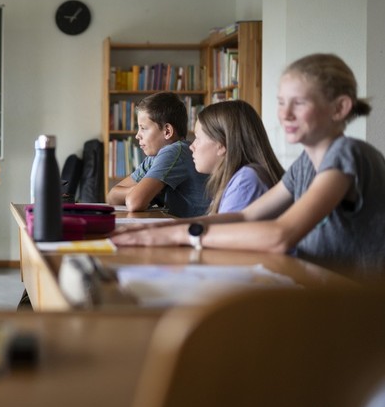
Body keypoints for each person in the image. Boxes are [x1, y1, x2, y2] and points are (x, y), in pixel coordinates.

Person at [111, 53, 385, 278]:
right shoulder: (306, 165)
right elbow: (246, 216)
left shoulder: (346, 154)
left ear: (340, 108)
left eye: (299, 103)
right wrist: (158, 230)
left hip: (354, 310)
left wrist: (184, 234)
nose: (285, 114)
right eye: (281, 102)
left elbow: (281, 235)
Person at [106, 91, 209, 217]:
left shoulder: (176, 151)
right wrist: (146, 190)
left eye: (143, 128)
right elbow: (111, 197)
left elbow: (134, 202)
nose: (137, 135)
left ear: (167, 131)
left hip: (198, 229)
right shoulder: (153, 158)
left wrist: (145, 192)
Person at [190, 100, 284, 214]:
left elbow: (221, 231)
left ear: (221, 144)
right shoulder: (235, 179)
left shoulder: (245, 181)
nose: (191, 146)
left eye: (198, 138)